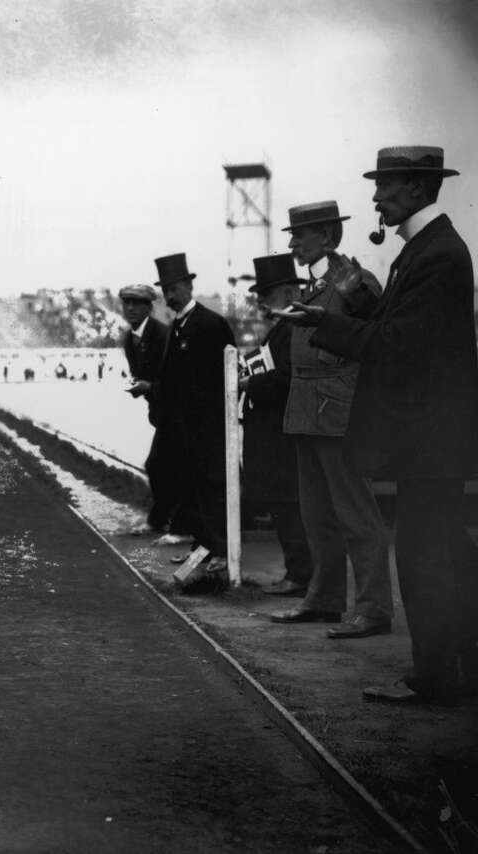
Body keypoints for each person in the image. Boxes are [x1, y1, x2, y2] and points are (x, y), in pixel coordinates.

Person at [287, 146, 478, 705]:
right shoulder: (426, 249)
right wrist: (337, 318)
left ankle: (435, 678)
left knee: (424, 556)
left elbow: (399, 344)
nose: (375, 197)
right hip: (434, 439)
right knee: (442, 548)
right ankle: (455, 667)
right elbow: (399, 327)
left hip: (429, 440)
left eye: (386, 187)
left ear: (417, 188)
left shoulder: (435, 254)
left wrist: (330, 325)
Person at [269, 201, 393, 634]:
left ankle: (374, 609)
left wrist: (355, 290)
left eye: (298, 235)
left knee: (356, 514)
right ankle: (324, 600)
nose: (291, 243)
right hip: (307, 408)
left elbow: (379, 322)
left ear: (326, 236)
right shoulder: (314, 285)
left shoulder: (350, 280)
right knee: (316, 513)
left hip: (336, 409)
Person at [151, 253, 236, 589]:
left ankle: (219, 551)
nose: (169, 296)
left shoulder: (210, 324)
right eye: (165, 291)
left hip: (208, 425)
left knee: (211, 488)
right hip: (184, 427)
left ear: (188, 285)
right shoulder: (178, 326)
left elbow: (222, 377)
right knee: (193, 487)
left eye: (174, 289)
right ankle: (202, 547)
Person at [239, 254, 314, 598]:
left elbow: (287, 376)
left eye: (265, 294)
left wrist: (249, 384)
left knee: (288, 504)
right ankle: (296, 571)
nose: (260, 302)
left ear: (286, 293)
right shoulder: (281, 329)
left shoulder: (292, 328)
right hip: (275, 429)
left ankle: (300, 574)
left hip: (283, 432)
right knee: (283, 504)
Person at [119, 284, 179, 535]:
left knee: (159, 465)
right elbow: (142, 374)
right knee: (161, 466)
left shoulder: (162, 335)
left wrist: (149, 387)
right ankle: (166, 520)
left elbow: (176, 379)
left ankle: (166, 522)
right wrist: (140, 387)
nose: (130, 308)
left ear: (149, 307)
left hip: (179, 412)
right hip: (162, 413)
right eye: (126, 303)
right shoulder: (129, 338)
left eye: (136, 303)